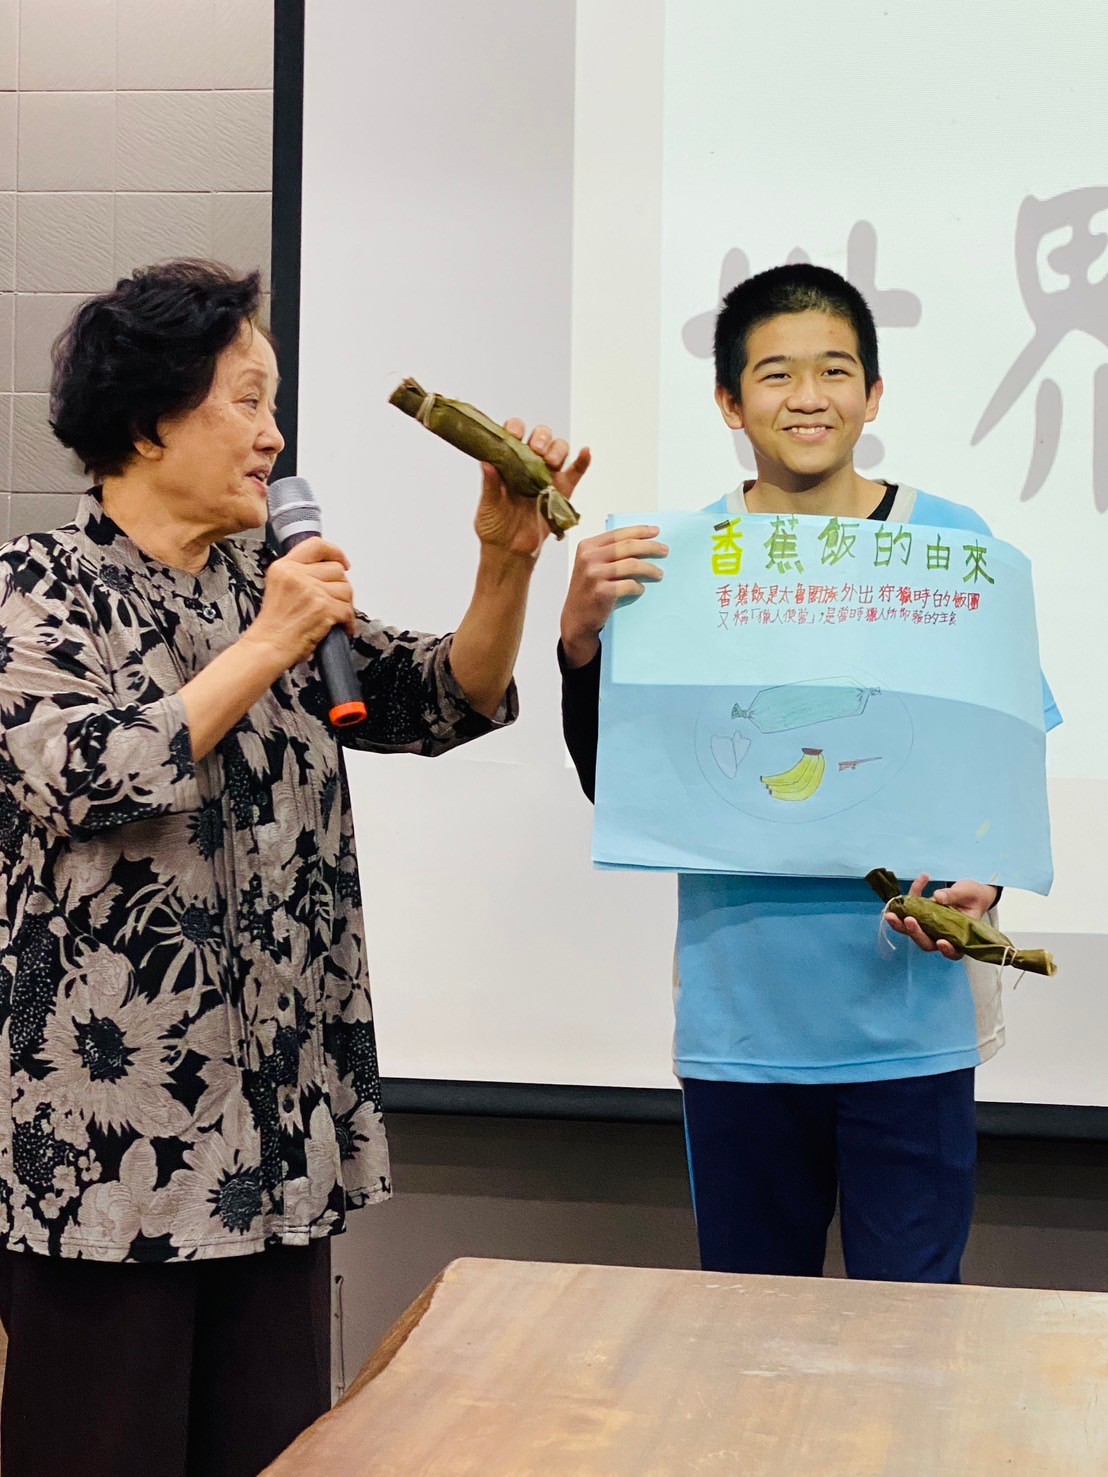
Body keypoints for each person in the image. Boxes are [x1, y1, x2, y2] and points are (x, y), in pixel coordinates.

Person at [0, 259, 589, 1477]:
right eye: (247, 400)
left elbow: (440, 697)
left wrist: (506, 559)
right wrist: (270, 641)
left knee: (274, 1455)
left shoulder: (263, 590)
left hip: (274, 1139)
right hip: (113, 1159)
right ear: (148, 423)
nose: (275, 437)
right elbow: (89, 772)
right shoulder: (38, 588)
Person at [559, 263, 1059, 1286]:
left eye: (834, 370)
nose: (808, 396)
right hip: (742, 1024)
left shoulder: (952, 544)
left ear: (873, 395)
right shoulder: (674, 561)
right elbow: (623, 787)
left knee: (911, 1336)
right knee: (748, 1335)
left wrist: (986, 878)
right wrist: (578, 641)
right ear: (728, 401)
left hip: (911, 1027)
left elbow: (1000, 761)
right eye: (775, 373)